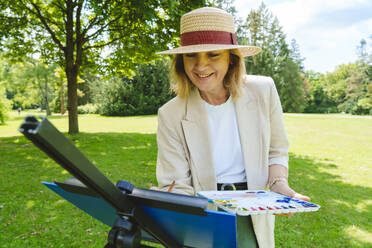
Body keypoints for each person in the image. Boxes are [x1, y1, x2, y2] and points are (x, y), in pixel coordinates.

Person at [154, 7, 309, 248]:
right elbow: (176, 182)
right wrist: (178, 209)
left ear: (231, 58)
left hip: (255, 212)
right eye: (191, 55)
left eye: (213, 54)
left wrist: (280, 187)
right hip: (203, 213)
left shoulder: (264, 90)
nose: (200, 66)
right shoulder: (170, 114)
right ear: (180, 61)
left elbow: (276, 150)